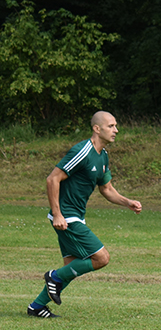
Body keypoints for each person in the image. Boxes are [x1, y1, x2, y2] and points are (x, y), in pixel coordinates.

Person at [27, 111, 142, 318]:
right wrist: (58, 214)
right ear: (97, 129)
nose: (116, 130)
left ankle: (36, 307)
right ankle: (53, 277)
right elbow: (52, 179)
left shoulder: (103, 155)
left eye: (116, 126)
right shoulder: (82, 151)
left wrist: (128, 202)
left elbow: (106, 189)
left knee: (72, 268)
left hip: (76, 215)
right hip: (67, 216)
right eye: (111, 126)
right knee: (101, 258)